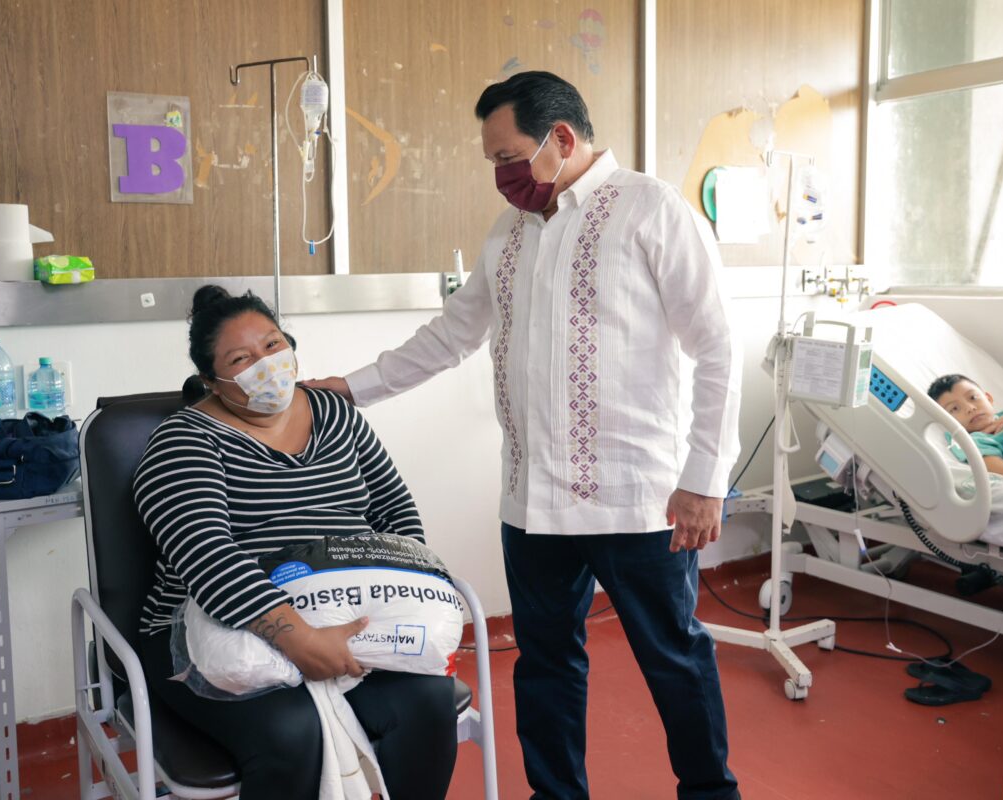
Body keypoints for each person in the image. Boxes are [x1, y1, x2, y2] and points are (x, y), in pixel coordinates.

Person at [308, 71, 742, 800]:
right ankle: (556, 794)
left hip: (636, 502)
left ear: (561, 138)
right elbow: (451, 336)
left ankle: (709, 792)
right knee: (545, 665)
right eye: (493, 162)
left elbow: (719, 347)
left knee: (673, 657)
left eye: (508, 157)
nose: (501, 176)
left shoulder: (650, 211)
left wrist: (704, 478)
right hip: (531, 505)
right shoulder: (508, 232)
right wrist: (353, 388)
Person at [133, 285, 457, 800]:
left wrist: (404, 599)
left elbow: (395, 511)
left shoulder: (335, 415)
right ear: (210, 381)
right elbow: (206, 556)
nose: (265, 364)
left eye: (272, 345)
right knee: (291, 734)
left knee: (426, 703)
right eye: (241, 358)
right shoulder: (183, 442)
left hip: (348, 612)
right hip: (211, 626)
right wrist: (300, 638)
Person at [928, 373, 1003, 478]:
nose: (970, 408)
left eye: (973, 397)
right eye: (955, 408)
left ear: (988, 398)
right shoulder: (973, 442)